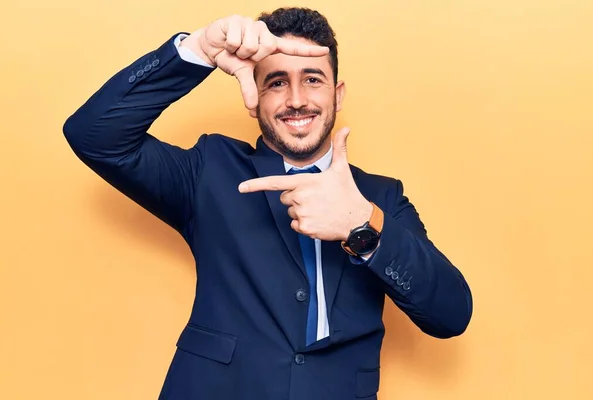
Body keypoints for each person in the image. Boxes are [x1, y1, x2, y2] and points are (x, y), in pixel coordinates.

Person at [63, 7, 473, 400]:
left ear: (338, 93)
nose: (296, 99)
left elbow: (450, 314)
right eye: (276, 82)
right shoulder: (211, 170)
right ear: (254, 94)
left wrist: (362, 226)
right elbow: (94, 135)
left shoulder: (381, 197)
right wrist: (198, 50)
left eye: (312, 79)